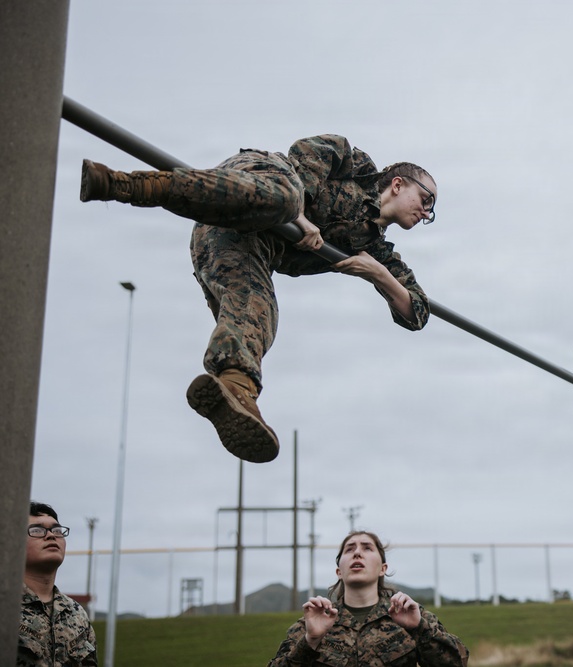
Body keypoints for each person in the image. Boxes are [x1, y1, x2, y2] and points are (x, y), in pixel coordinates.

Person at [80, 135, 437, 463]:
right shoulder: (356, 166)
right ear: (398, 183)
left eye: (430, 211)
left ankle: (236, 389)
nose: (426, 213)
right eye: (426, 200)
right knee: (283, 198)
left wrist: (378, 274)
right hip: (255, 183)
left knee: (259, 309)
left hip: (234, 241)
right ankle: (126, 185)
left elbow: (416, 312)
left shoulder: (374, 249)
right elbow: (308, 154)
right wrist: (298, 216)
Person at [269, 531, 468, 667]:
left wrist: (420, 629)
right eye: (349, 549)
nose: (357, 552)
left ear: (383, 568)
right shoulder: (312, 623)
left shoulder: (412, 616)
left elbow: (457, 662)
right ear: (339, 571)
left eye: (367, 548)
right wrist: (310, 641)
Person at [19, 501, 98, 667]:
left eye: (57, 530)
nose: (51, 535)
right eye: (37, 530)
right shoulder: (6, 605)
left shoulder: (77, 615)